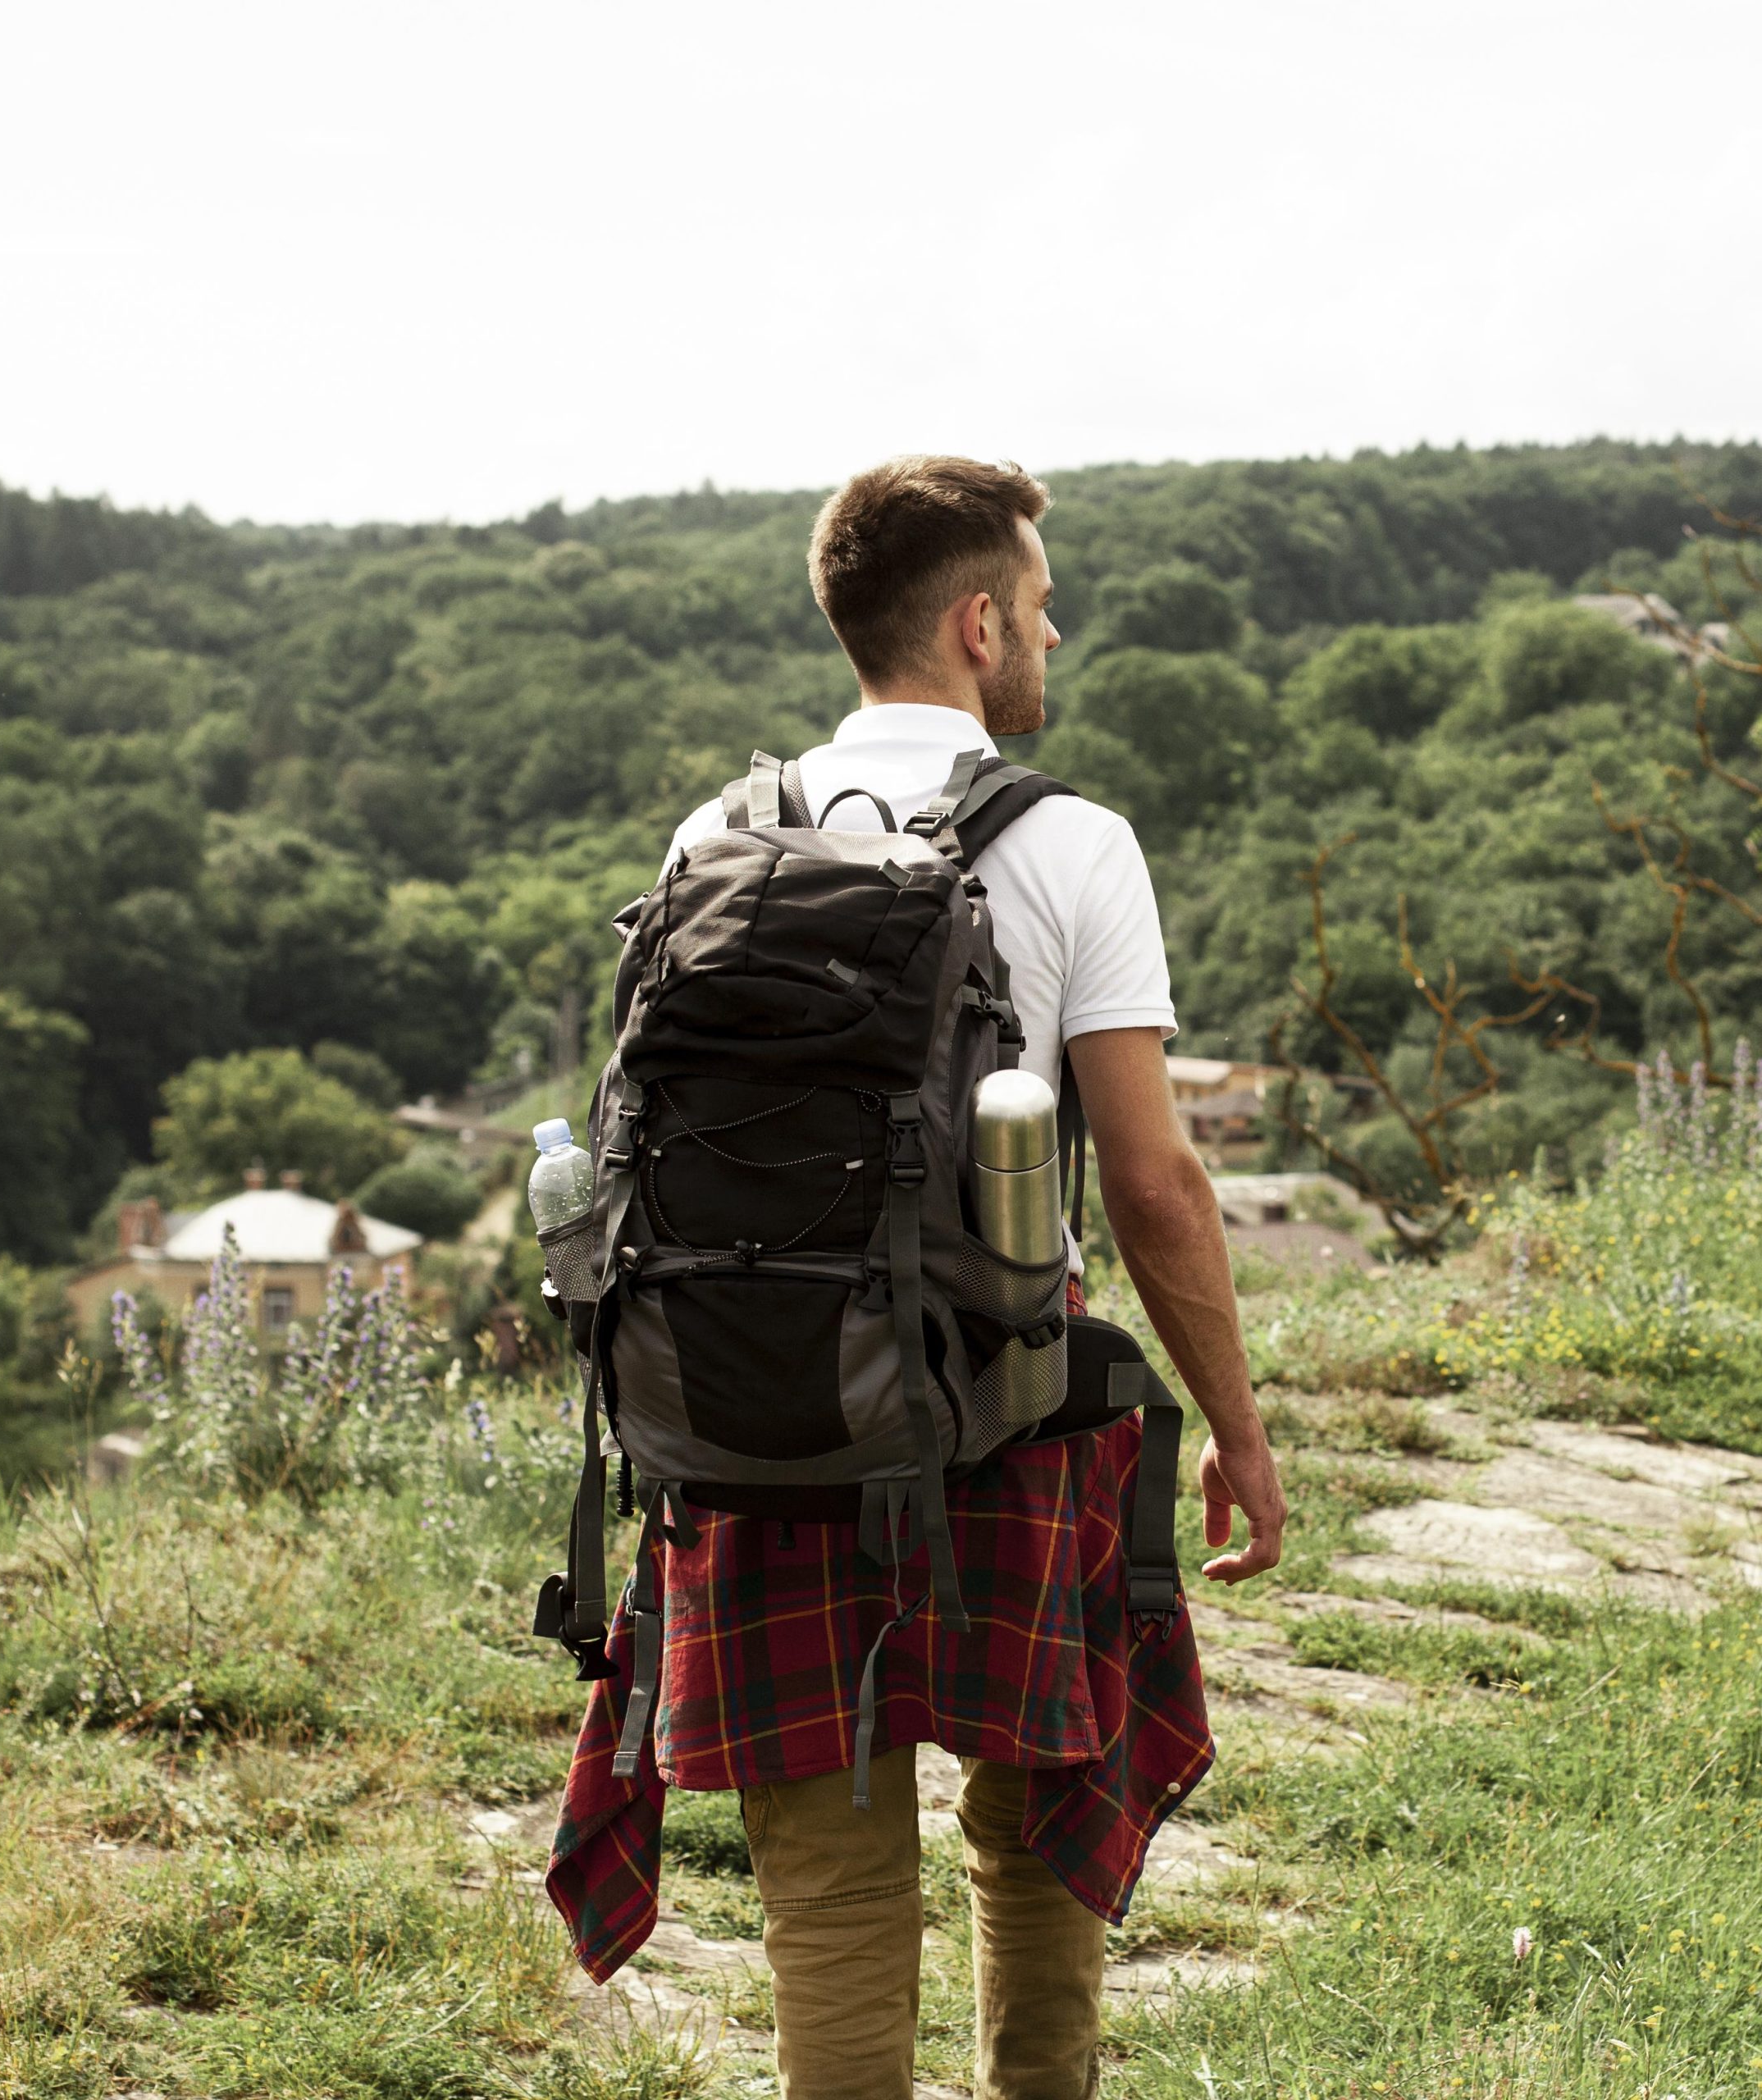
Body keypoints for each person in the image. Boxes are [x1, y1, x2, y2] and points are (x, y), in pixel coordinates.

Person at [547, 455, 1288, 2100]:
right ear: (975, 625)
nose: (1052, 633)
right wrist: (1237, 1429)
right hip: (1005, 1403)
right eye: (1037, 604)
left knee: (828, 1885)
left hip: (759, 1407)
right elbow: (1154, 1183)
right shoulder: (1075, 843)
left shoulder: (715, 835)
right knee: (1036, 1832)